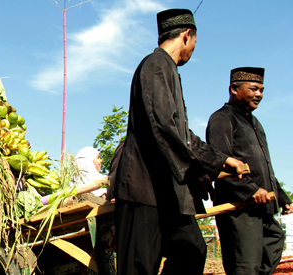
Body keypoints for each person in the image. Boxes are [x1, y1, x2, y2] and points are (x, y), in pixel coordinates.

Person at [113, 9, 246, 275]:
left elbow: (181, 133)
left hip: (168, 190)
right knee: (139, 266)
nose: (193, 50)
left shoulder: (167, 70)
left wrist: (212, 165)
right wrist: (205, 166)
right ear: (187, 35)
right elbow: (163, 127)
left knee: (192, 249)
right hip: (144, 189)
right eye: (195, 42)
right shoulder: (155, 64)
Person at [206, 67, 293, 275]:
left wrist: (280, 196)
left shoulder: (256, 123)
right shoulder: (222, 119)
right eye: (254, 89)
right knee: (245, 266)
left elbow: (265, 166)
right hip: (240, 208)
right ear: (235, 88)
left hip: (263, 206)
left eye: (262, 90)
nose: (259, 95)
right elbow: (220, 164)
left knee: (274, 241)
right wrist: (250, 190)